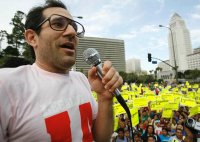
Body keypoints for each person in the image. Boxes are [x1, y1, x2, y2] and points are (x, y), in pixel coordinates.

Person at [0, 0, 123, 142]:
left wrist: (105, 98)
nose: (72, 32)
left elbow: (101, 138)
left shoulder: (81, 79)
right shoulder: (6, 85)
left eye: (74, 27)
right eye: (58, 24)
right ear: (32, 38)